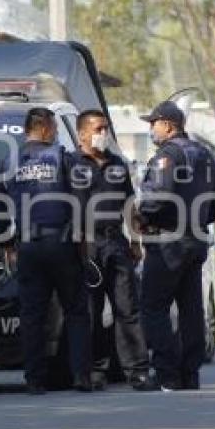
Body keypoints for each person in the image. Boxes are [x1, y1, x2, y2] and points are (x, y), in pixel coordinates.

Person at [0, 107, 92, 395]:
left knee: (32, 315)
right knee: (75, 311)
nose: (57, 133)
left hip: (28, 247)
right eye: (55, 128)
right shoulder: (63, 157)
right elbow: (81, 201)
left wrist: (7, 245)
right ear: (47, 127)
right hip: (62, 245)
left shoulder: (9, 162)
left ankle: (34, 380)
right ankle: (81, 376)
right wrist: (83, 242)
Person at [137, 100, 215, 391]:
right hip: (195, 240)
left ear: (168, 125)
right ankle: (190, 374)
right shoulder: (202, 153)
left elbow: (159, 194)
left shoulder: (169, 154)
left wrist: (143, 216)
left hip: (168, 240)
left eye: (153, 124)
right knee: (191, 308)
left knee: (153, 307)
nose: (151, 129)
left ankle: (167, 372)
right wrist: (204, 217)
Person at [71, 109, 157, 392]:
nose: (103, 134)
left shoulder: (117, 164)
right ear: (82, 133)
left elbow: (129, 205)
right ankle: (94, 370)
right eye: (97, 129)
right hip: (87, 245)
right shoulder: (71, 164)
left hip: (116, 243)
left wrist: (135, 240)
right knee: (91, 312)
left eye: (105, 128)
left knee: (128, 308)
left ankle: (138, 371)